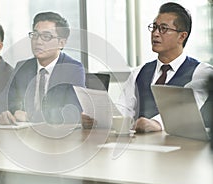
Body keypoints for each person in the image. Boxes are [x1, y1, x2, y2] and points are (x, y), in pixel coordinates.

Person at [82, 2, 213, 133]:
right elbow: (124, 109)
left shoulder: (201, 72)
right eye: (154, 27)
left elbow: (187, 108)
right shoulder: (139, 72)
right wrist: (98, 120)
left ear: (182, 36)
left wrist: (156, 123)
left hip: (183, 148)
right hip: (142, 147)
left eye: (163, 29)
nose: (155, 33)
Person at [0, 12, 85, 124]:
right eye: (35, 35)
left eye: (46, 37)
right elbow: (0, 104)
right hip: (24, 134)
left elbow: (72, 112)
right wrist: (2, 115)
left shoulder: (73, 69)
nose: (38, 42)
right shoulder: (22, 67)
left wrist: (31, 116)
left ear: (61, 43)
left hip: (57, 136)